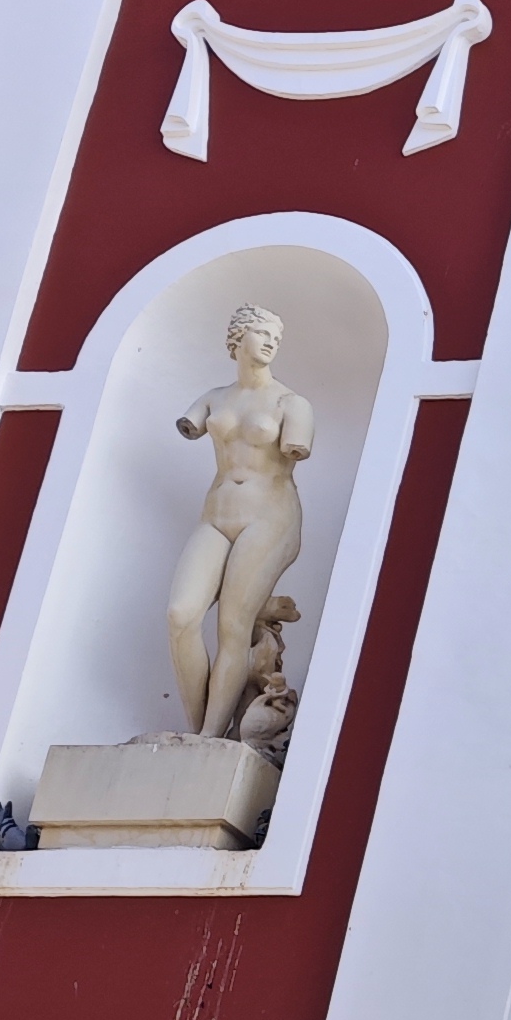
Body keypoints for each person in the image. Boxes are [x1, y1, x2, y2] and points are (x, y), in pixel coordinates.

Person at [165, 305, 316, 743]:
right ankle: (196, 730)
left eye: (276, 338)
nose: (270, 343)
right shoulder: (212, 399)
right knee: (180, 616)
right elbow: (190, 425)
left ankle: (211, 738)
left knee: (232, 625)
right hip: (215, 517)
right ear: (237, 338)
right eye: (262, 333)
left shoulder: (293, 404)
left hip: (270, 516)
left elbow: (296, 446)